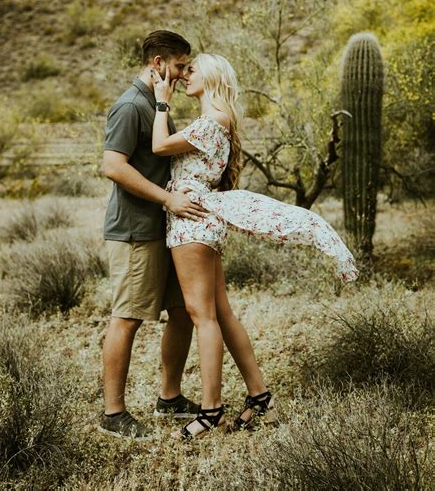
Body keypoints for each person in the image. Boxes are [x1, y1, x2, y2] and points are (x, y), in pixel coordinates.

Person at [151, 53, 359, 440]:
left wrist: (162, 100)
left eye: (192, 69)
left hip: (191, 223)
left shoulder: (212, 121)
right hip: (202, 220)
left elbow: (159, 145)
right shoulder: (216, 120)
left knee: (204, 318)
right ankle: (260, 395)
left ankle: (211, 410)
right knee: (222, 313)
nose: (184, 75)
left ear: (212, 77)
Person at [98, 30, 208, 441]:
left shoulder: (157, 104)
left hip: (167, 229)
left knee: (182, 312)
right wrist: (168, 199)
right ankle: (113, 414)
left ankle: (169, 398)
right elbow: (113, 166)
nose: (183, 74)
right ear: (158, 63)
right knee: (127, 318)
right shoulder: (129, 106)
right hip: (135, 232)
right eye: (179, 65)